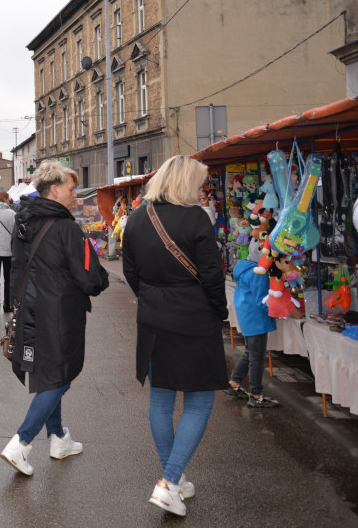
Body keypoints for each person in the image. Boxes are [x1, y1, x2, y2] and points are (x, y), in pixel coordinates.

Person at [121, 155, 228, 518]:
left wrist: (151, 295)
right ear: (185, 183)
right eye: (199, 183)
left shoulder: (136, 218)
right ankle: (169, 482)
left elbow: (130, 272)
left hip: (153, 316)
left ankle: (174, 479)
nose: (202, 190)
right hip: (195, 316)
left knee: (161, 400)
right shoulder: (197, 218)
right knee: (198, 402)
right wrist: (220, 310)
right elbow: (213, 275)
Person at [0, 160, 109, 477]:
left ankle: (59, 437)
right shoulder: (66, 228)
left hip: (31, 308)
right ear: (55, 188)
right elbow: (91, 279)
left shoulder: (23, 221)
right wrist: (99, 275)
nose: (76, 195)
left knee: (51, 374)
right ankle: (21, 443)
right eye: (72, 189)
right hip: (59, 312)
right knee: (58, 377)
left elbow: (18, 262)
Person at [225, 245, 279, 408]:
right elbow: (262, 300)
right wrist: (279, 309)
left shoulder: (244, 267)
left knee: (250, 352)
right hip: (256, 318)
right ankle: (255, 395)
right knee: (256, 357)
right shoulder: (259, 272)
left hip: (248, 315)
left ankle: (234, 382)